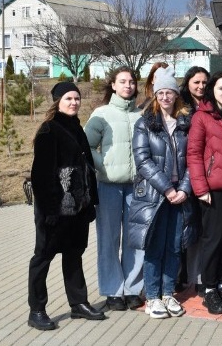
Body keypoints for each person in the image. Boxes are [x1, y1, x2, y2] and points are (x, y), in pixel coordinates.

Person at [28, 82, 106, 331]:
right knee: (43, 258)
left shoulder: (77, 128)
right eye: (68, 99)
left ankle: (78, 303)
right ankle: (37, 310)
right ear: (57, 101)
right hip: (54, 210)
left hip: (78, 208)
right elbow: (41, 176)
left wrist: (91, 202)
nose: (74, 102)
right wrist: (50, 211)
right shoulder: (49, 130)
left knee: (74, 255)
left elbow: (88, 169)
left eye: (77, 98)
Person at [128, 67, 197, 319]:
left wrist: (184, 189)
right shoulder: (145, 123)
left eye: (169, 92)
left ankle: (168, 293)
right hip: (155, 195)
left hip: (180, 195)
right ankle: (152, 297)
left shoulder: (186, 123)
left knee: (175, 245)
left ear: (177, 95)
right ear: (155, 95)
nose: (165, 97)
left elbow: (194, 159)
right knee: (155, 246)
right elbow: (142, 160)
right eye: (161, 93)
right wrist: (167, 188)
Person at [84, 66, 145, 311]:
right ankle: (112, 290)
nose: (128, 86)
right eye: (122, 81)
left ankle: (132, 289)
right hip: (108, 185)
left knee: (134, 239)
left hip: (137, 186)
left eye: (131, 81)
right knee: (109, 239)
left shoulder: (141, 115)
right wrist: (103, 167)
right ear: (113, 85)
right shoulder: (102, 114)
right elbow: (87, 146)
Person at [187, 70, 222, 315]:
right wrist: (200, 188)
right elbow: (193, 154)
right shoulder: (202, 117)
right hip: (212, 189)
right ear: (212, 89)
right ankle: (210, 287)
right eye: (221, 88)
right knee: (213, 239)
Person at [176, 65, 209, 291]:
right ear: (188, 83)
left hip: (206, 172)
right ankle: (180, 274)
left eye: (204, 83)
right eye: (196, 82)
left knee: (201, 228)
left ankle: (198, 276)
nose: (201, 86)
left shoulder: (211, 104)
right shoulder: (181, 107)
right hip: (183, 173)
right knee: (183, 227)